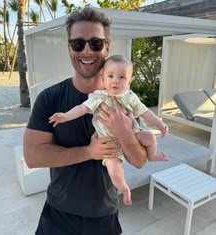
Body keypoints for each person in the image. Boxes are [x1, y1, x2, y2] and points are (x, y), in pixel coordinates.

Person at [23, 7, 147, 235]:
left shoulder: (126, 100)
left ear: (107, 47)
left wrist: (125, 133)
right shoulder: (50, 98)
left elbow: (139, 161)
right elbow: (32, 157)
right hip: (58, 214)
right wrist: (89, 152)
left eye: (96, 43)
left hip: (103, 215)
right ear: (69, 48)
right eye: (78, 44)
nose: (87, 51)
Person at [49, 54, 168, 206]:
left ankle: (152, 156)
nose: (115, 81)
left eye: (122, 77)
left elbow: (146, 112)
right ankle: (124, 189)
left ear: (129, 81)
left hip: (133, 134)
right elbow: (82, 108)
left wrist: (160, 125)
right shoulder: (99, 97)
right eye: (110, 76)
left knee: (150, 137)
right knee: (114, 170)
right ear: (103, 78)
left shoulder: (131, 97)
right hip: (109, 143)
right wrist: (65, 116)